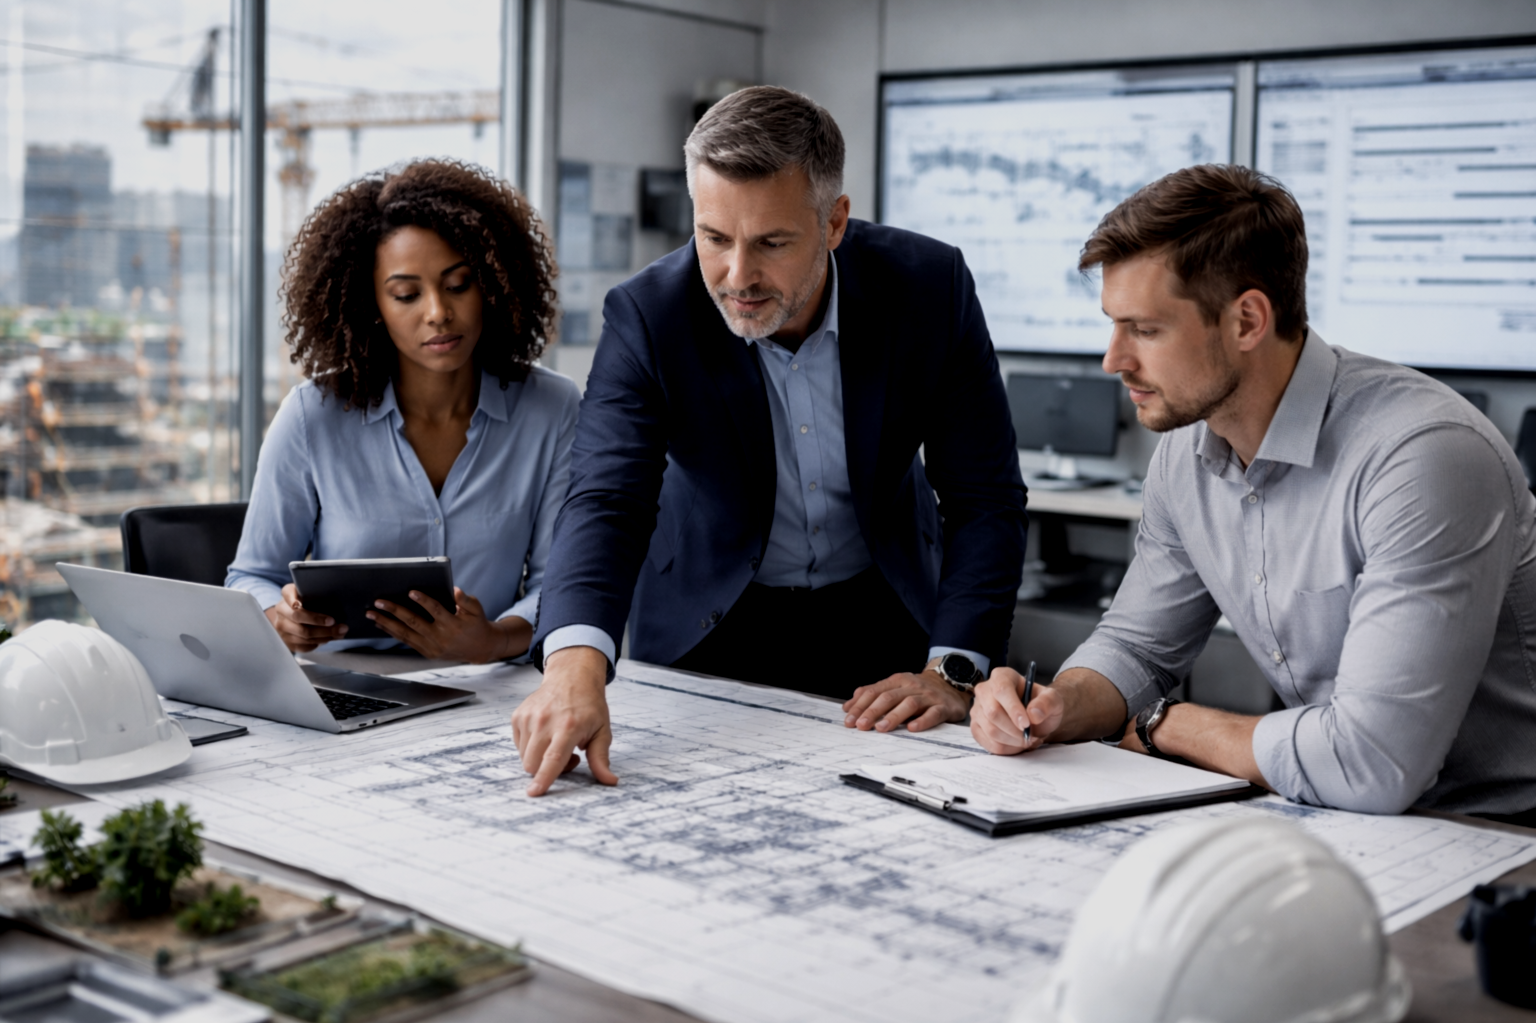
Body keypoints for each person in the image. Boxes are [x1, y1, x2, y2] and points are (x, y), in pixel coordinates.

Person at [971, 164, 1536, 819]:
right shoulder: (1185, 452)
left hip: (1503, 834)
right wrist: (1056, 704)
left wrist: (1164, 724)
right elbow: (1137, 646)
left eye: (1145, 329)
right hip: (1342, 813)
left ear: (1246, 320)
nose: (1113, 359)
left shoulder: (1423, 458)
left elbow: (1373, 761)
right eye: (1113, 324)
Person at [512, 86, 1028, 796]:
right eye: (713, 238)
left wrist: (953, 670)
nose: (736, 276)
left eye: (772, 243)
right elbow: (606, 498)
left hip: (884, 617)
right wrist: (573, 668)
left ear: (835, 221)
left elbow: (983, 497)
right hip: (712, 623)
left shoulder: (928, 289)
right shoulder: (649, 314)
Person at [227, 159, 577, 664]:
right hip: (343, 688)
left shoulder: (552, 409)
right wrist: (278, 619)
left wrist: (495, 640)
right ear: (372, 305)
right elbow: (251, 576)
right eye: (406, 295)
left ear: (494, 286)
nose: (438, 312)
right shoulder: (311, 416)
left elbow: (560, 583)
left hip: (490, 689)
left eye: (458, 284)